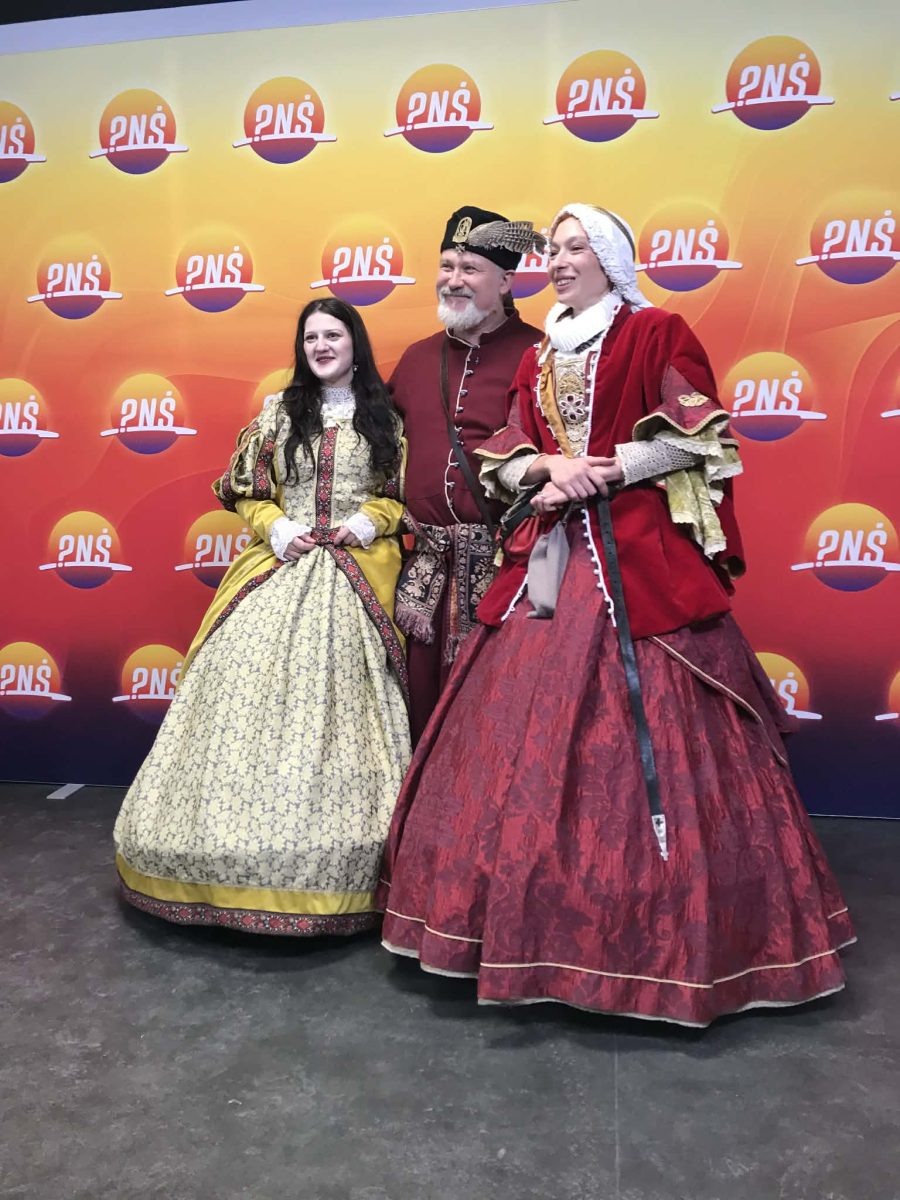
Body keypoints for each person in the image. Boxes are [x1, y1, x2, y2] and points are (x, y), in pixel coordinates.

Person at [377, 203, 854, 1025]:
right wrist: (544, 469)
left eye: (576, 249)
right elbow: (504, 451)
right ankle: (515, 930)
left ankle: (666, 949)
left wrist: (609, 467)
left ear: (608, 258)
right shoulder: (542, 354)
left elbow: (698, 435)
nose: (560, 262)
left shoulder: (656, 331)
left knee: (658, 730)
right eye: (554, 251)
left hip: (636, 556)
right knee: (514, 710)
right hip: (548, 560)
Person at [115, 298, 410, 936]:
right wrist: (276, 525)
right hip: (282, 564)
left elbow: (398, 497)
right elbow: (247, 491)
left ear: (355, 343)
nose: (321, 346)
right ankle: (210, 854)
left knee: (338, 695)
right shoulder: (280, 411)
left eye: (333, 335)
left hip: (355, 572)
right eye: (311, 337)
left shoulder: (385, 418)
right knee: (243, 674)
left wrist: (371, 519)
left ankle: (338, 863)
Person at [389, 205, 543, 743]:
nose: (453, 280)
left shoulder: (541, 355)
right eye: (447, 265)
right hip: (425, 578)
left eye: (470, 268)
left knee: (500, 724)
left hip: (512, 574)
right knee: (417, 720)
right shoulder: (415, 359)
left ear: (506, 281)